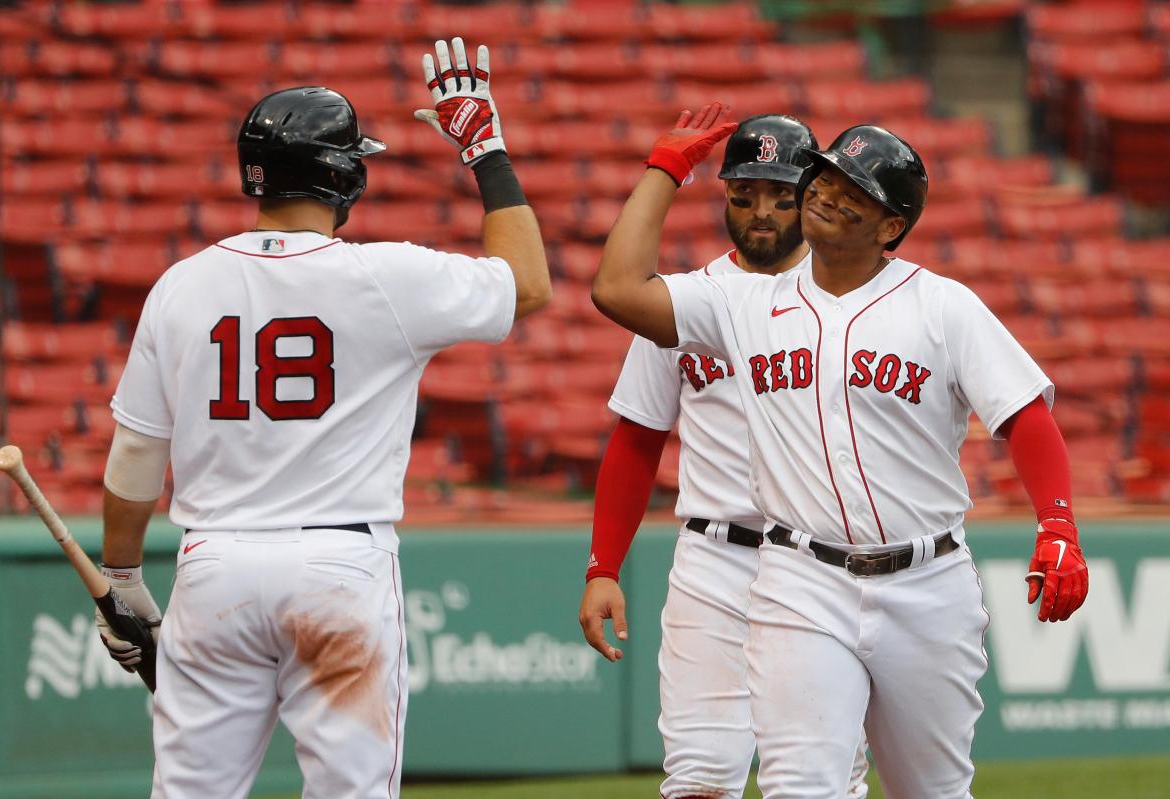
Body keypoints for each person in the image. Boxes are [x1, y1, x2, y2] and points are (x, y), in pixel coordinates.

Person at [92, 37, 550, 799]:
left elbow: (136, 457)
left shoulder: (180, 284)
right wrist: (485, 150)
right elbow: (527, 281)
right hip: (339, 564)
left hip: (215, 566)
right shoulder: (387, 275)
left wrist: (123, 577)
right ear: (344, 175)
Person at [591, 104, 1088, 799]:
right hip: (800, 576)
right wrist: (667, 170)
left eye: (853, 191)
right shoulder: (743, 304)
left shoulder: (941, 306)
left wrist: (1058, 522)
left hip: (927, 580)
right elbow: (616, 290)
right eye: (823, 178)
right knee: (799, 786)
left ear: (891, 226)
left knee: (933, 789)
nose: (825, 193)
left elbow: (1025, 416)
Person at [578, 114, 868, 799]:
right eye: (743, 194)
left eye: (779, 194)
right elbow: (637, 437)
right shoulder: (685, 303)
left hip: (824, 560)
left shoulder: (858, 301)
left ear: (813, 197)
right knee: (700, 779)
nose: (760, 211)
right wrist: (603, 564)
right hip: (715, 561)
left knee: (819, 784)